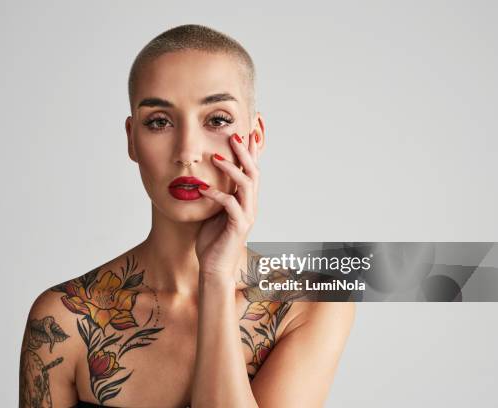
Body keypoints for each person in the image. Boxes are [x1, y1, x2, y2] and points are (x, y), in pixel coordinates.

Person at [19, 24, 355, 408]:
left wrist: (215, 279)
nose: (186, 151)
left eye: (217, 120)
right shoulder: (65, 318)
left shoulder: (310, 305)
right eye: (159, 122)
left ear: (255, 137)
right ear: (132, 139)